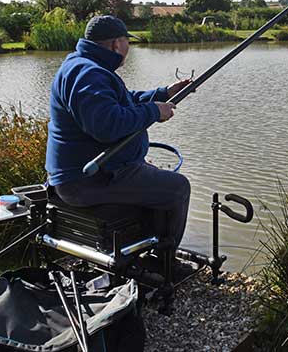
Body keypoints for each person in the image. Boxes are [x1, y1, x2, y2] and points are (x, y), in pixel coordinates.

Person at [45, 15, 192, 254]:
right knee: (177, 188)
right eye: (127, 42)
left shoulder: (85, 65)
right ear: (116, 44)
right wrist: (153, 111)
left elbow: (122, 102)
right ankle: (163, 263)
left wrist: (164, 93)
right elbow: (107, 125)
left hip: (93, 173)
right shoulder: (88, 73)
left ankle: (143, 249)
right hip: (88, 180)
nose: (129, 49)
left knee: (153, 176)